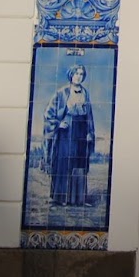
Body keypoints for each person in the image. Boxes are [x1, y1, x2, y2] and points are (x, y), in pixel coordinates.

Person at [41, 61, 96, 208]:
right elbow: (48, 114)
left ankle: (78, 199)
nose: (78, 77)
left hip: (81, 133)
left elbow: (89, 115)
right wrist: (59, 124)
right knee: (65, 164)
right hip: (66, 133)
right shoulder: (62, 93)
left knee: (80, 164)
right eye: (76, 73)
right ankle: (60, 198)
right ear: (71, 75)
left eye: (81, 74)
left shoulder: (85, 93)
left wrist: (90, 132)